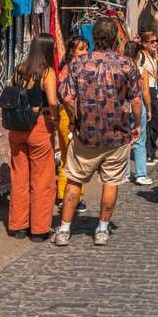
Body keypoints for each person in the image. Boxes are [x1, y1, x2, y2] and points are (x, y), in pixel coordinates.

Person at [54, 20, 143, 246]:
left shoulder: (78, 64)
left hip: (86, 133)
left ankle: (64, 229)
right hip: (116, 133)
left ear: (94, 37)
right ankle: (102, 229)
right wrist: (138, 124)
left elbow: (66, 96)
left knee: (74, 179)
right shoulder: (127, 64)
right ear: (116, 38)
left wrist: (75, 119)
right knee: (111, 181)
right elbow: (135, 100)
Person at [6, 33, 59, 240]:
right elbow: (53, 101)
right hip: (38, 126)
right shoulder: (47, 73)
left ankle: (18, 225)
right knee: (42, 178)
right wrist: (54, 120)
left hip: (16, 127)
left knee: (19, 176)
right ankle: (39, 228)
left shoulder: (19, 69)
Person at [55, 33, 89, 217]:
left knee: (67, 157)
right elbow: (69, 99)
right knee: (75, 158)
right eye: (81, 49)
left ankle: (63, 194)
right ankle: (73, 196)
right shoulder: (69, 70)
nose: (85, 53)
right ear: (71, 51)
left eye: (86, 48)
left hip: (67, 115)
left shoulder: (70, 68)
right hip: (69, 116)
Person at [121, 40, 154, 187]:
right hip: (137, 105)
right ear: (137, 54)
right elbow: (146, 93)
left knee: (125, 141)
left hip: (122, 107)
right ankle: (140, 174)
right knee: (140, 140)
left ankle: (125, 173)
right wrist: (149, 109)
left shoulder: (118, 68)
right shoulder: (141, 70)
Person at [139, 31, 158, 165]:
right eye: (152, 42)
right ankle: (148, 153)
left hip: (153, 89)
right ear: (144, 43)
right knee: (149, 122)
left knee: (154, 121)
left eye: (156, 41)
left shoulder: (153, 56)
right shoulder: (141, 57)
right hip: (146, 90)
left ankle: (152, 151)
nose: (155, 44)